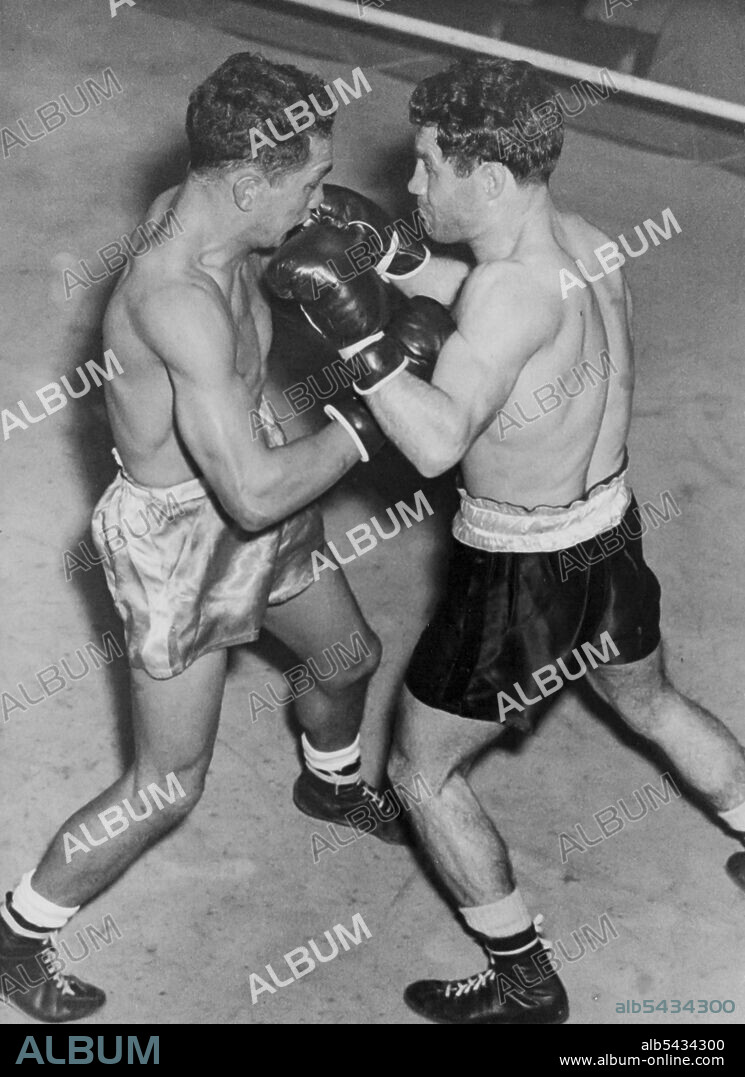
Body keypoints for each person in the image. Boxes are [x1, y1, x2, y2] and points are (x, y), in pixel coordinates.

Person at [268, 56, 745, 1025]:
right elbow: (510, 298)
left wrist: (358, 343)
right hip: (607, 534)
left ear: (485, 179)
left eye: (429, 167)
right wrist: (396, 263)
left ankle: (523, 979)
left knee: (416, 772)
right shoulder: (585, 241)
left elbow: (439, 441)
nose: (410, 186)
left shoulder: (503, 301)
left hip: (523, 574)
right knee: (651, 706)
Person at [0, 51, 441, 1024]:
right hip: (182, 541)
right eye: (307, 183)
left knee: (346, 656)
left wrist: (377, 248)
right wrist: (374, 409)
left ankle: (328, 786)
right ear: (246, 182)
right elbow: (248, 495)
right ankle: (19, 933)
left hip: (256, 470)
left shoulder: (220, 206)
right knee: (166, 787)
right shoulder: (174, 300)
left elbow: (255, 467)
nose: (318, 200)